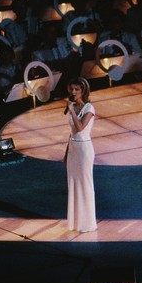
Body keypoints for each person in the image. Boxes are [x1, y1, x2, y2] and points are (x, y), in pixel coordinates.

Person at [63, 76, 97, 233]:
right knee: (73, 185)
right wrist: (66, 153)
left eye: (77, 89)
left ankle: (87, 223)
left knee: (85, 185)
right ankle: (76, 222)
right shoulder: (74, 107)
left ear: (83, 91)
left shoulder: (89, 108)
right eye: (72, 89)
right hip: (73, 150)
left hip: (84, 151)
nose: (74, 92)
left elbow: (80, 128)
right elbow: (71, 133)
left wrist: (71, 111)